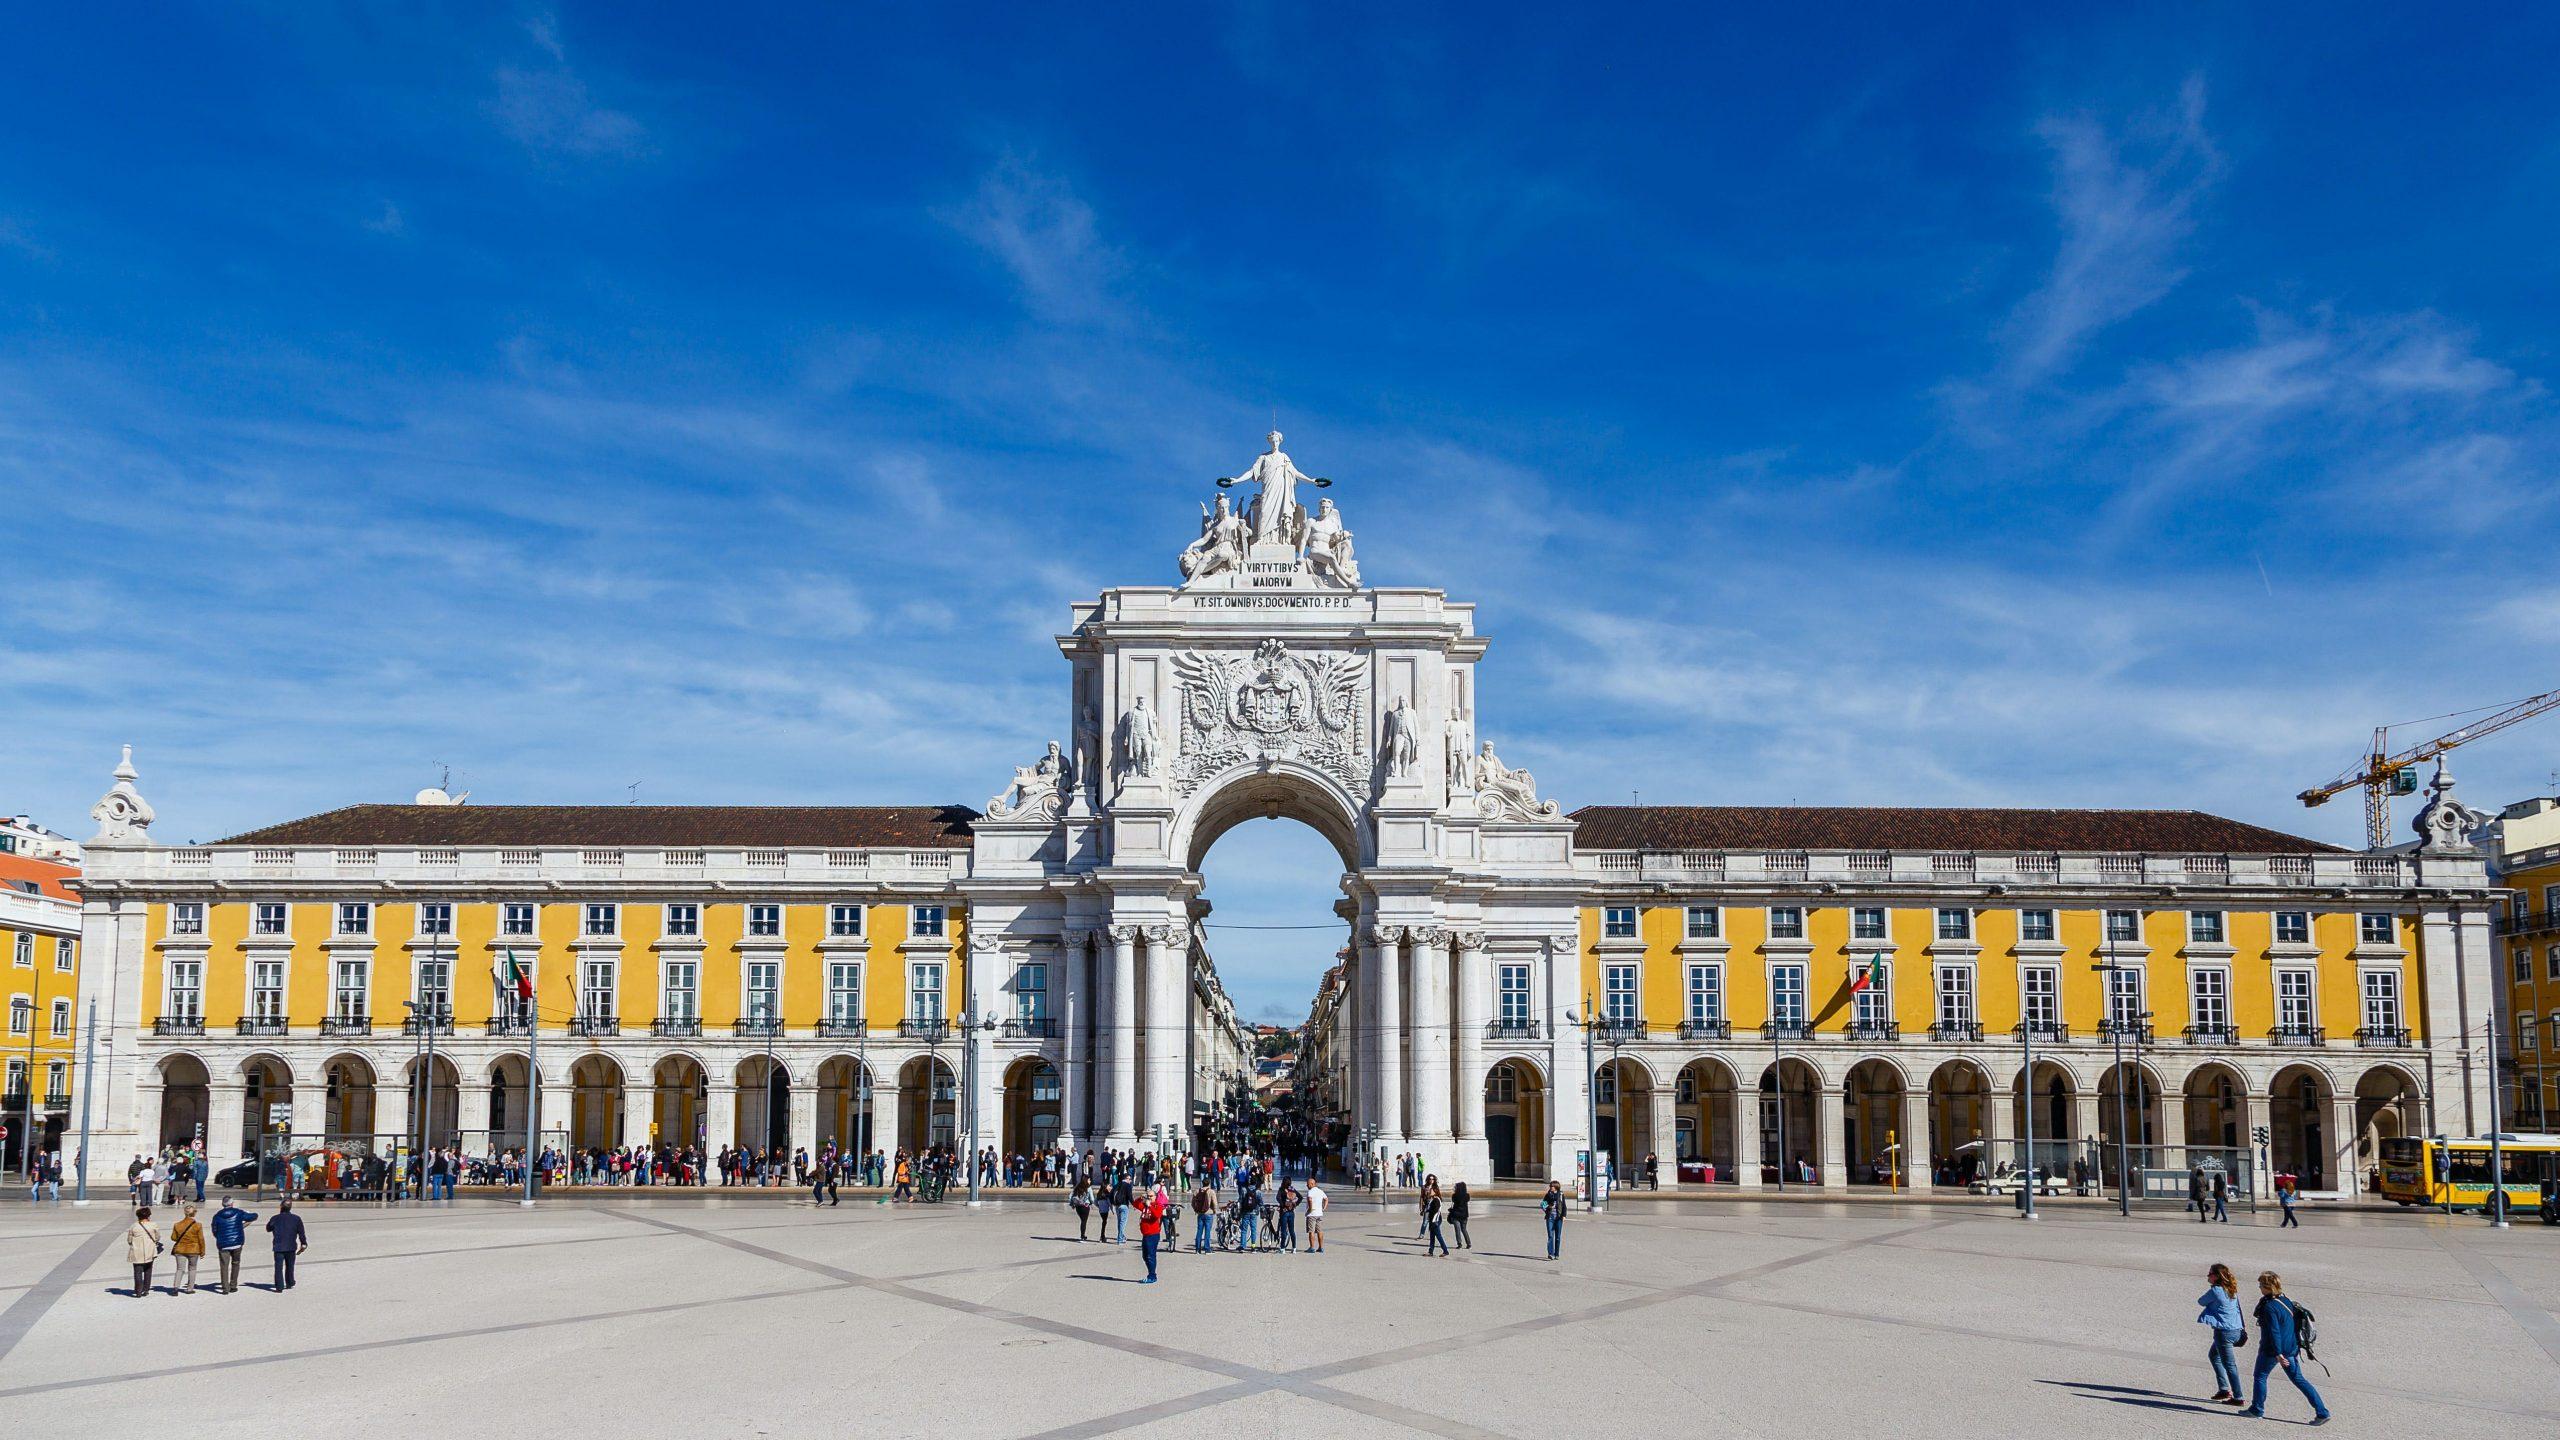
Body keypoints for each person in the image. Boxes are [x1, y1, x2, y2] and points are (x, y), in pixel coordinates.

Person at [2242, 1271, 2329, 1423]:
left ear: (2267, 1287)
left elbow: (2274, 1331)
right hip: (2291, 1348)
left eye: (2261, 1285)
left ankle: (2257, 1409)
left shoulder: (2269, 1307)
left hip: (2273, 1350)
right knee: (2299, 1379)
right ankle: (2322, 1412)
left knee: (2260, 1376)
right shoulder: (2286, 1300)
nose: (2259, 1288)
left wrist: (2278, 1354)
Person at [2196, 1262, 2247, 1405]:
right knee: (2214, 1355)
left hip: (2224, 1333)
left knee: (2230, 1365)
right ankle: (2224, 1389)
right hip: (2236, 1330)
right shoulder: (2231, 1289)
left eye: (2210, 1273)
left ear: (2217, 1276)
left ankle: (2238, 1397)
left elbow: (2201, 1301)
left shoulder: (2216, 1291)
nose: (2208, 1275)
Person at [210, 1197, 256, 1294]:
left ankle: (225, 1288)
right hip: (237, 1242)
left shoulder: (217, 1216)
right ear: (232, 1204)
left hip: (223, 1244)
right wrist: (254, 1214)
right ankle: (233, 1285)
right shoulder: (238, 1212)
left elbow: (214, 1230)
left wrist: (219, 1237)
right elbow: (252, 1217)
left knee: (224, 1266)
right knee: (236, 1263)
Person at [266, 1198, 309, 1291]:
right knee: (290, 1266)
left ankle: (279, 1286)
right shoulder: (296, 1218)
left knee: (278, 1267)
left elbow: (268, 1228)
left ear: (281, 1207)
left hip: (278, 1246)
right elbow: (301, 1232)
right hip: (291, 1246)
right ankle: (289, 1282)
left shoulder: (275, 1218)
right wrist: (303, 1243)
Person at [124, 1205, 162, 1298]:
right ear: (148, 1216)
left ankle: (138, 1291)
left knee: (137, 1272)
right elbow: (157, 1237)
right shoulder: (153, 1225)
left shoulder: (134, 1226)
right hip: (150, 1251)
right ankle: (146, 1289)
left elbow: (129, 1240)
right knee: (148, 1270)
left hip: (137, 1252)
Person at [170, 1202, 207, 1294]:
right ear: (194, 1212)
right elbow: (201, 1239)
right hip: (193, 1250)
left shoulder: (177, 1224)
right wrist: (202, 1251)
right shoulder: (198, 1225)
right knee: (192, 1269)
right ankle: (190, 1288)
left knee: (180, 1269)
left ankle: (175, 1287)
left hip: (180, 1249)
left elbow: (173, 1238)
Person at [1137, 1179, 1164, 1283]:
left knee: (1151, 1255)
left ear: (1155, 1197)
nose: (1149, 1198)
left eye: (1151, 1196)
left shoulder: (1157, 1205)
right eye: (1148, 1196)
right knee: (1144, 1255)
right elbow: (1135, 1204)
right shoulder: (1145, 1205)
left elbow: (1157, 1215)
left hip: (1153, 1234)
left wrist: (1150, 1205)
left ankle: (1152, 1276)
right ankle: (1151, 1273)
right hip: (1145, 1234)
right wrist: (1141, 1198)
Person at [1421, 1178, 1449, 1256]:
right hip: (1433, 1220)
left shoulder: (1436, 1200)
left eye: (1431, 1190)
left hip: (1435, 1220)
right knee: (1432, 1236)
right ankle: (1430, 1251)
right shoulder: (1432, 1199)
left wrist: (1429, 1212)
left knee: (1439, 1236)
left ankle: (1445, 1251)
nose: (1430, 1191)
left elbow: (1436, 1211)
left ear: (1435, 1192)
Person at [1540, 1180, 1566, 1260]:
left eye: (1552, 1186)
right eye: (1550, 1186)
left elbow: (1564, 1206)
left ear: (1556, 1187)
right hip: (1550, 1217)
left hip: (1558, 1218)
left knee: (1557, 1237)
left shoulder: (1561, 1195)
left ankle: (1556, 1254)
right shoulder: (1548, 1195)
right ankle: (1551, 1253)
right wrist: (1548, 1207)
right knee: (1550, 1236)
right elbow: (1543, 1204)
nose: (1551, 1187)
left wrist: (1564, 1216)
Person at [1304, 1179, 1327, 1254]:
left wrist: (1309, 1210)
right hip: (1319, 1214)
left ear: (1312, 1184)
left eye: (1308, 1184)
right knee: (1320, 1231)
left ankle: (1312, 1247)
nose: (1307, 1185)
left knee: (1311, 1231)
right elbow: (1326, 1199)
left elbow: (1310, 1200)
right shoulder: (1320, 1191)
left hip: (1312, 1214)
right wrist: (1324, 1208)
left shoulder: (1310, 1192)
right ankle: (1321, 1247)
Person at [1276, 1180, 1299, 1253]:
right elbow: (1300, 1197)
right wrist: (1294, 1205)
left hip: (1284, 1212)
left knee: (1283, 1231)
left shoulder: (1281, 1189)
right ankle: (1294, 1248)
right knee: (1292, 1231)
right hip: (1291, 1212)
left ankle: (1282, 1248)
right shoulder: (1292, 1189)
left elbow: (1277, 1198)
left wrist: (1282, 1205)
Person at [1111, 1171, 1134, 1244]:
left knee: (1119, 1222)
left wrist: (1112, 1204)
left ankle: (1122, 1236)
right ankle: (1120, 1239)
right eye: (1130, 1179)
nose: (1130, 1181)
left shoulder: (1117, 1184)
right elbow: (1130, 1196)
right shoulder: (1127, 1185)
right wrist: (1134, 1204)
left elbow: (1111, 1194)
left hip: (1117, 1205)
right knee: (1122, 1222)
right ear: (1126, 1179)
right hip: (1124, 1205)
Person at [1450, 1181, 1473, 1250]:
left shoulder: (1455, 1196)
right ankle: (1468, 1244)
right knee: (1464, 1229)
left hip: (1456, 1215)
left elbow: (1454, 1201)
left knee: (1457, 1230)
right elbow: (1467, 1200)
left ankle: (1459, 1244)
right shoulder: (1467, 1195)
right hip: (1464, 1216)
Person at [1071, 1176, 1094, 1240]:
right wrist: (1091, 1203)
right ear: (1086, 1180)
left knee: (1082, 1221)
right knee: (1084, 1221)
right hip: (1085, 1207)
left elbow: (1071, 1196)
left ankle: (1082, 1235)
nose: (1090, 1181)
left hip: (1078, 1207)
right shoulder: (1089, 1188)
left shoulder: (1078, 1186)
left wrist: (1072, 1204)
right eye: (1089, 1180)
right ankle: (1082, 1235)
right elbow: (1092, 1199)